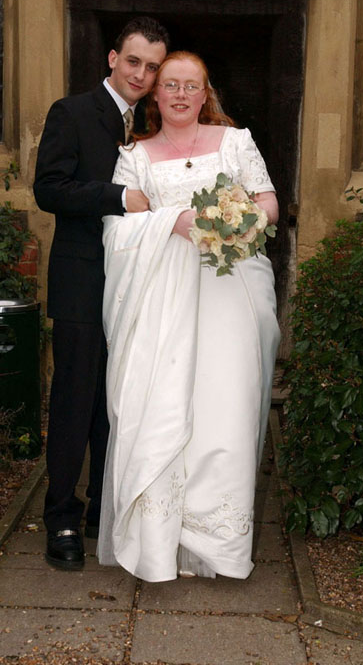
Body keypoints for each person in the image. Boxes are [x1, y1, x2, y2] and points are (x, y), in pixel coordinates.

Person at [98, 51, 281, 582]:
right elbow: (117, 227)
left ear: (206, 94)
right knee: (162, 406)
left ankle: (217, 542)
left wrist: (239, 222)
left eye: (191, 86)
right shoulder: (134, 155)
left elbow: (269, 203)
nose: (180, 94)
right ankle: (160, 538)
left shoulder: (236, 142)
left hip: (232, 294)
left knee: (226, 409)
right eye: (171, 85)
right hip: (162, 302)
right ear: (156, 94)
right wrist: (172, 222)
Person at [33, 17, 169, 570]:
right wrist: (116, 196)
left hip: (139, 284)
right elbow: (48, 189)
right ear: (113, 58)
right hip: (82, 279)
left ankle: (102, 510)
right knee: (74, 399)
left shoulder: (155, 122)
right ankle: (62, 516)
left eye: (152, 67)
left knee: (120, 401)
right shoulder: (70, 112)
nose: (141, 74)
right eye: (133, 61)